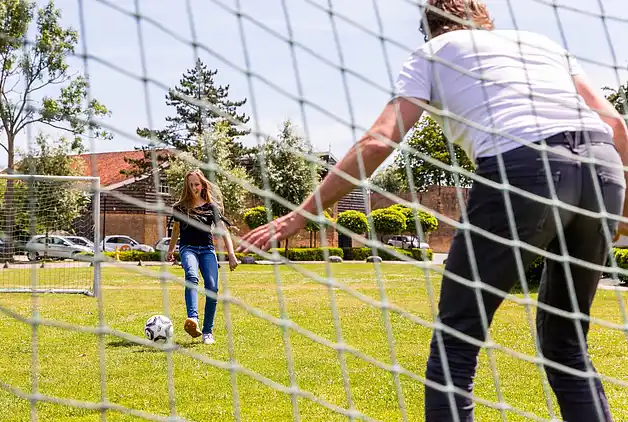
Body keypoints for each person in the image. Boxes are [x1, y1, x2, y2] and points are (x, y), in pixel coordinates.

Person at [238, 0, 628, 420]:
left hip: (523, 168)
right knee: (566, 340)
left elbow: (378, 142)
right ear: (486, 22)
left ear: (430, 29)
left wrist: (300, 215)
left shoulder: (433, 53)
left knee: (456, 341)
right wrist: (622, 214)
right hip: (602, 168)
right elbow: (616, 125)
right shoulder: (541, 44)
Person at [166, 169, 238, 345]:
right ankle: (193, 319)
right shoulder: (180, 207)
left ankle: (207, 332)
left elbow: (224, 232)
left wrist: (231, 254)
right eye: (190, 185)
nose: (193, 188)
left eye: (196, 184)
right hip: (187, 248)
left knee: (212, 288)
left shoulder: (210, 207)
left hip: (206, 249)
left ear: (203, 185)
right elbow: (175, 230)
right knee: (191, 276)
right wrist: (170, 250)